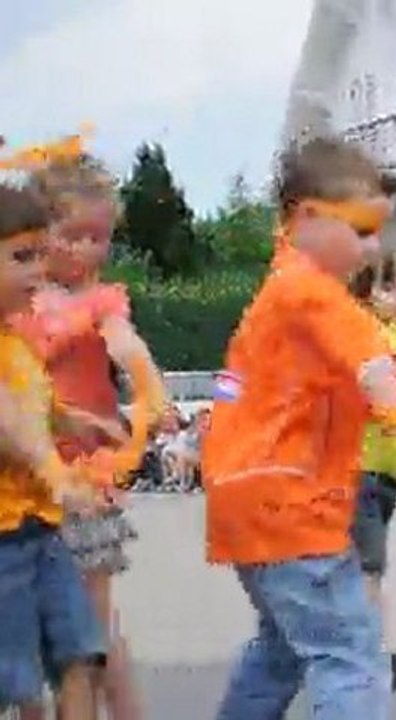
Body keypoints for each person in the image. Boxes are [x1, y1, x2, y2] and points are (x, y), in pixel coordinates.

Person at [202, 137, 396, 720]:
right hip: (291, 500)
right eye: (361, 230)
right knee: (351, 655)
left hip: (246, 494)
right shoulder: (313, 293)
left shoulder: (279, 290)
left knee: (283, 648)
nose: (372, 247)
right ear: (306, 216)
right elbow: (375, 372)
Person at [14, 155, 167, 720]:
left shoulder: (101, 302)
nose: (85, 251)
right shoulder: (15, 302)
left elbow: (127, 346)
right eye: (71, 236)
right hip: (26, 486)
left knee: (96, 630)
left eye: (99, 238)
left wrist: (152, 394)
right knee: (32, 631)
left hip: (86, 483)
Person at [0, 184, 106, 720]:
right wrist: (53, 470)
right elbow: (6, 420)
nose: (37, 269)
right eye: (21, 257)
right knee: (14, 682)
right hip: (3, 538)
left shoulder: (15, 338)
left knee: (79, 654)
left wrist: (73, 420)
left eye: (41, 254)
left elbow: (33, 400)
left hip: (41, 528)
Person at [348, 247, 396, 692]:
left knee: (366, 567)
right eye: (388, 286)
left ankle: (365, 646)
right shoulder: (365, 336)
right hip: (361, 468)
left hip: (384, 470)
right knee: (367, 568)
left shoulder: (393, 336)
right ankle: (369, 652)